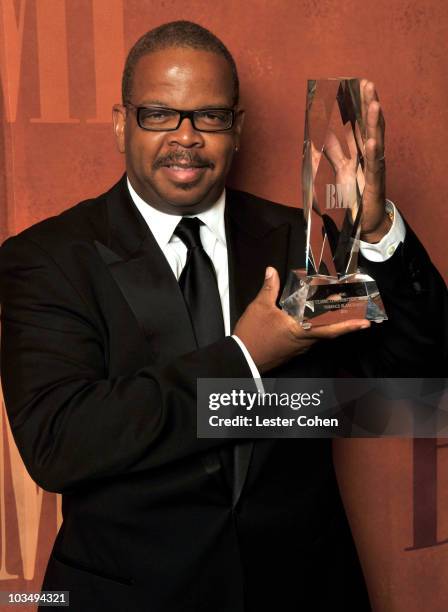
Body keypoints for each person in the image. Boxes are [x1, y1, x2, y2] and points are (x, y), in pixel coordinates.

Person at [0, 20, 446, 612]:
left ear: (237, 129)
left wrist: (375, 229)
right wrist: (245, 357)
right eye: (159, 114)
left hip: (304, 590)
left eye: (210, 116)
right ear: (120, 123)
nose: (186, 137)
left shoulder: (301, 240)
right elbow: (59, 444)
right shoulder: (46, 259)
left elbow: (419, 384)